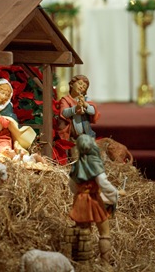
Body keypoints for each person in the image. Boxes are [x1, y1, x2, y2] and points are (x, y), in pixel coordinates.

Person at [68, 134, 125, 268]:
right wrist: (116, 193)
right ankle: (105, 264)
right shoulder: (95, 164)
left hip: (80, 201)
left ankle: (83, 262)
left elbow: (72, 185)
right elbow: (104, 184)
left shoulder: (76, 166)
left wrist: (79, 194)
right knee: (104, 232)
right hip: (93, 201)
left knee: (83, 232)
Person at [0, 78, 37, 156]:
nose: (4, 97)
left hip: (2, 137)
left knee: (4, 152)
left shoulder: (7, 107)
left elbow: (5, 124)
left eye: (6, 95)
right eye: (2, 93)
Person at [57, 75, 100, 142]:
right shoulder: (66, 100)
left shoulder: (86, 99)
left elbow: (93, 111)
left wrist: (85, 104)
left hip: (86, 134)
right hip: (72, 134)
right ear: (72, 84)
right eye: (79, 84)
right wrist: (75, 108)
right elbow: (64, 113)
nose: (81, 87)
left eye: (84, 87)